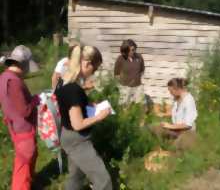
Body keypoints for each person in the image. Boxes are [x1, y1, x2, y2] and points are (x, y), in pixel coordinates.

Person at [54, 45, 112, 190]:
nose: (94, 72)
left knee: (76, 177)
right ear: (86, 64)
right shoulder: (74, 89)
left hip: (67, 135)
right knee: (103, 180)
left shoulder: (63, 81)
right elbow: (78, 124)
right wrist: (100, 116)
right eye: (95, 68)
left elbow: (68, 104)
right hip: (77, 139)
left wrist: (88, 104)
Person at [0, 45, 40, 190]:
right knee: (24, 162)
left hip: (15, 126)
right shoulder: (14, 82)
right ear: (23, 65)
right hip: (22, 129)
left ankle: (30, 181)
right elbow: (24, 111)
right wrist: (35, 100)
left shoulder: (4, 76)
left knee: (30, 155)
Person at [151, 78, 198, 150]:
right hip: (176, 130)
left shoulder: (188, 101)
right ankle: (158, 146)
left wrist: (170, 126)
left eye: (171, 91)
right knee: (154, 128)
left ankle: (170, 146)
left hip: (187, 133)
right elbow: (177, 113)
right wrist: (163, 114)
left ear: (177, 89)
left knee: (173, 149)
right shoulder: (177, 99)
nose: (170, 93)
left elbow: (187, 125)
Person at [114, 39, 145, 105]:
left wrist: (137, 80)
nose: (134, 51)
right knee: (125, 106)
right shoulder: (120, 59)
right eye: (132, 50)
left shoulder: (139, 57)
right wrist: (121, 88)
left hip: (138, 86)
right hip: (125, 87)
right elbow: (116, 74)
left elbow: (142, 70)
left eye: (134, 49)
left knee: (141, 105)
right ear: (125, 51)